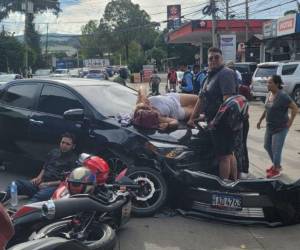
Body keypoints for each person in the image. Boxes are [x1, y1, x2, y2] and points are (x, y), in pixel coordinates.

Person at [187, 47, 238, 181]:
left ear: (222, 59)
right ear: (207, 61)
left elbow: (228, 102)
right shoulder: (209, 76)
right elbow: (201, 99)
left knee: (224, 156)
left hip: (223, 123)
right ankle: (234, 181)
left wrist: (216, 120)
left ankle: (224, 186)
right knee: (228, 153)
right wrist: (192, 118)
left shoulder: (225, 73)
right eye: (211, 58)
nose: (213, 60)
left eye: (216, 57)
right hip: (213, 122)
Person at [1, 132, 77, 204]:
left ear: (73, 146)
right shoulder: (54, 152)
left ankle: (18, 215)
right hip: (40, 183)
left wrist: (48, 184)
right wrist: (38, 177)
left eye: (67, 144)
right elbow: (45, 167)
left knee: (39, 197)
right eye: (62, 142)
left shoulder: (73, 161)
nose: (64, 145)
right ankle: (1, 200)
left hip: (53, 188)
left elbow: (66, 181)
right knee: (16, 184)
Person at [257, 75, 298, 178]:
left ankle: (276, 170)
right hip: (270, 126)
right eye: (267, 82)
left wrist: (290, 122)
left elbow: (295, 108)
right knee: (267, 146)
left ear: (277, 84)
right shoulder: (269, 94)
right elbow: (267, 109)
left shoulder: (283, 96)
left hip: (281, 127)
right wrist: (260, 120)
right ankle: (277, 165)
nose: (268, 84)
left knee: (276, 150)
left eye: (270, 82)